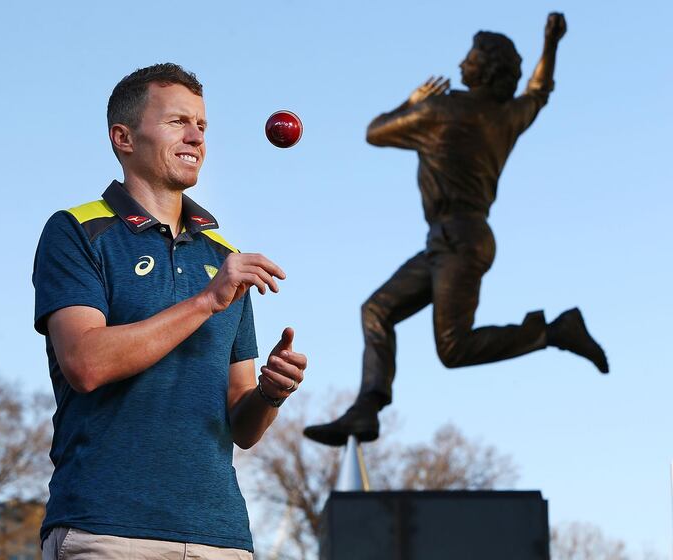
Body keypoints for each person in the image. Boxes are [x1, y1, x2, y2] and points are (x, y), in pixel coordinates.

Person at [33, 63, 307, 559]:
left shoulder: (224, 256)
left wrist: (269, 393)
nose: (196, 136)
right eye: (178, 121)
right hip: (107, 530)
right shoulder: (75, 231)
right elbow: (86, 364)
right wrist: (206, 301)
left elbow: (241, 425)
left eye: (202, 125)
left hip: (220, 537)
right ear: (124, 137)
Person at [304, 13, 607, 447]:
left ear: (484, 69)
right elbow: (539, 93)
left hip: (456, 241)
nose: (461, 64)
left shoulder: (440, 111)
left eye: (469, 58)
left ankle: (555, 331)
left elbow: (375, 132)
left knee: (453, 348)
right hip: (455, 241)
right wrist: (550, 44)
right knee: (377, 310)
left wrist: (411, 102)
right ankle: (366, 409)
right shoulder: (505, 117)